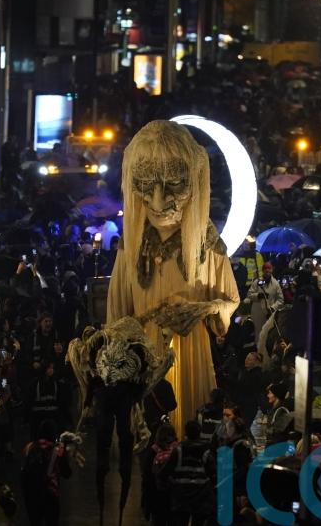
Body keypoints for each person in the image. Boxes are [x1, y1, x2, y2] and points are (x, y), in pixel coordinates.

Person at [107, 120, 241, 435]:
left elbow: (230, 300)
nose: (158, 200)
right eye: (146, 184)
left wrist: (202, 309)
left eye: (173, 184)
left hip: (189, 349)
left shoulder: (206, 241)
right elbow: (116, 314)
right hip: (142, 354)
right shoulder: (132, 242)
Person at [157, 420, 215, 526]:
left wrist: (169, 485)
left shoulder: (178, 450)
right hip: (201, 497)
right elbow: (213, 473)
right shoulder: (206, 450)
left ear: (186, 433)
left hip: (181, 497)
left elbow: (164, 473)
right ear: (199, 433)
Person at [21, 420, 71, 526]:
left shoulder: (29, 447)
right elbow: (67, 473)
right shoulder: (58, 449)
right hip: (50, 493)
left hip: (32, 494)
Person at [141, 423, 178, 526]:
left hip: (156, 497)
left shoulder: (152, 451)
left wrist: (146, 505)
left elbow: (146, 478)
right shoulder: (178, 450)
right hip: (173, 498)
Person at [244, 262, 284, 342]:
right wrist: (258, 295)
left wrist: (273, 308)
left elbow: (280, 300)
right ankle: (258, 352)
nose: (267, 272)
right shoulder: (257, 282)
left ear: (272, 270)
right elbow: (249, 294)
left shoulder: (276, 284)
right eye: (266, 271)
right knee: (258, 333)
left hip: (269, 314)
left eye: (269, 270)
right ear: (263, 271)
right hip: (257, 313)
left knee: (269, 334)